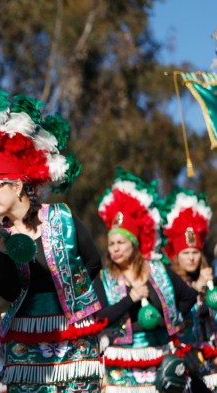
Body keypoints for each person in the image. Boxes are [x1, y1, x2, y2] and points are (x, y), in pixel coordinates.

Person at [0, 87, 105, 392]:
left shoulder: (62, 218)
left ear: (17, 185)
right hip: (25, 340)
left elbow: (94, 264)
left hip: (74, 337)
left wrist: (90, 313)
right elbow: (7, 290)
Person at [94, 168, 198, 392]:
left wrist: (172, 319)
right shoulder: (104, 279)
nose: (115, 249)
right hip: (120, 362)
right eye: (112, 245)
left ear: (133, 244)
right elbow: (101, 318)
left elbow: (189, 296)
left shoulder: (158, 270)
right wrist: (130, 298)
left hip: (161, 355)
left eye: (121, 243)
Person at [161, 188, 215, 392]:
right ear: (176, 256)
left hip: (209, 363)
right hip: (181, 362)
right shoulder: (168, 281)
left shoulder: (210, 280)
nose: (192, 258)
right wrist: (195, 287)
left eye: (195, 252)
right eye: (186, 253)